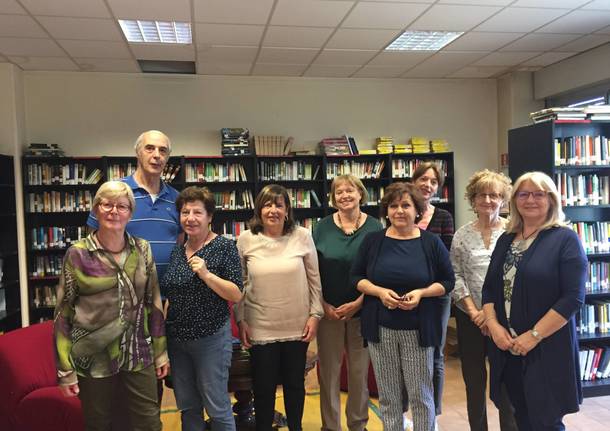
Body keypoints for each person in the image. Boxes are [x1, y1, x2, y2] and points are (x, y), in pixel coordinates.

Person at [54, 181, 169, 431]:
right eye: (107, 204)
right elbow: (63, 313)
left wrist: (160, 352)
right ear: (96, 210)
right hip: (93, 358)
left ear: (130, 212)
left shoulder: (143, 249)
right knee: (100, 424)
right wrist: (65, 369)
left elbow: (154, 303)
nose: (114, 211)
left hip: (139, 354)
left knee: (149, 422)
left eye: (122, 206)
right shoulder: (78, 253)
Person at [482, 171, 586, 431]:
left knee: (546, 421)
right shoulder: (507, 239)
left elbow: (572, 298)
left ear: (551, 199)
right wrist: (494, 327)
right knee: (522, 416)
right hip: (508, 347)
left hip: (546, 349)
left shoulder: (565, 239)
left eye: (538, 194)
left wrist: (534, 336)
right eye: (523, 194)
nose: (530, 200)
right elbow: (489, 288)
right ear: (514, 199)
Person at [352, 182, 454, 431]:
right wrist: (378, 292)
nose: (399, 211)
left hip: (418, 330)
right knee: (388, 396)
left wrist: (422, 293)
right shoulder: (373, 241)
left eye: (406, 205)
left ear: (417, 210)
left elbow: (448, 281)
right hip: (381, 329)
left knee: (421, 395)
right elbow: (356, 278)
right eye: (394, 206)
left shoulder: (430, 242)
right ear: (386, 210)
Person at [236, 184, 324, 431]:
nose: (273, 210)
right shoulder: (245, 239)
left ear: (287, 210)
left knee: (295, 386)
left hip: (297, 325)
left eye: (279, 205)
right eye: (267, 204)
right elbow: (240, 284)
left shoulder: (302, 236)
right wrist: (241, 319)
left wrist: (316, 314)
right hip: (260, 327)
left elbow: (314, 279)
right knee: (262, 388)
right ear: (259, 209)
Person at [162, 186, 243, 431]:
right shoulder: (178, 250)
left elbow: (236, 293)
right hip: (178, 341)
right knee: (188, 406)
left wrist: (206, 275)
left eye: (198, 212)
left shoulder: (224, 247)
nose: (190, 218)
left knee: (217, 406)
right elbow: (171, 295)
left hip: (210, 339)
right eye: (185, 212)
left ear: (210, 217)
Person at [313, 174, 383, 431]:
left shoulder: (376, 227)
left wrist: (359, 302)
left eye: (349, 190)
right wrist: (322, 304)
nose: (344, 195)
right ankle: (330, 426)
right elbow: (312, 270)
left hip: (363, 311)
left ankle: (357, 424)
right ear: (333, 198)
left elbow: (379, 271)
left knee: (358, 373)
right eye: (338, 192)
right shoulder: (320, 227)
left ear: (360, 194)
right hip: (328, 312)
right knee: (329, 374)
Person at [450, 169, 517, 431]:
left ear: (503, 199)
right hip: (472, 318)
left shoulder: (514, 231)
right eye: (482, 195)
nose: (488, 200)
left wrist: (492, 315)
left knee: (506, 382)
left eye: (494, 195)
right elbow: (455, 274)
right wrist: (474, 311)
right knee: (474, 381)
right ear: (473, 199)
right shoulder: (462, 235)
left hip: (506, 319)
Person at [88, 130, 181, 282]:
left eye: (163, 150)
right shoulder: (112, 192)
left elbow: (179, 242)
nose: (157, 155)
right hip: (123, 294)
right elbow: (93, 242)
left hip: (168, 295)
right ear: (138, 152)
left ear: (167, 157)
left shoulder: (176, 198)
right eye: (149, 148)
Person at [412, 162, 454, 416]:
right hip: (406, 295)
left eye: (434, 181)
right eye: (423, 179)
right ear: (414, 181)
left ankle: (433, 413)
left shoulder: (443, 217)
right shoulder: (401, 211)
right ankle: (412, 410)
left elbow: (445, 259)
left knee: (435, 353)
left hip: (436, 294)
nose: (428, 185)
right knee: (410, 352)